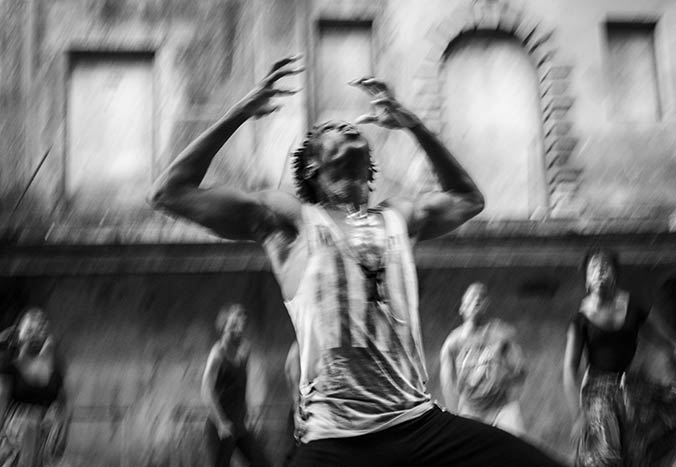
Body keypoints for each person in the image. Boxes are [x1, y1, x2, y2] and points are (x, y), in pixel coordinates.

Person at [151, 55, 565, 466]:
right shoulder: (289, 221)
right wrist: (241, 112)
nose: (345, 125)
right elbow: (171, 192)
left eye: (348, 126)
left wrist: (413, 125)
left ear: (370, 169)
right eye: (330, 129)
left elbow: (468, 199)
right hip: (336, 440)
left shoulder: (398, 217)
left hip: (418, 424)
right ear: (312, 165)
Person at [563, 248, 676, 467]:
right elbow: (569, 370)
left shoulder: (632, 307)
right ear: (586, 280)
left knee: (638, 450)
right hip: (598, 391)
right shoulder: (580, 320)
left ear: (615, 274)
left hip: (631, 388)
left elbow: (666, 343)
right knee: (605, 457)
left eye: (605, 266)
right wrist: (577, 416)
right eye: (593, 268)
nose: (600, 272)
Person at [0, 307, 68, 467]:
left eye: (42, 327)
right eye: (33, 328)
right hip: (15, 437)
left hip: (43, 437)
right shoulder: (9, 366)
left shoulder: (53, 370)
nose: (39, 332)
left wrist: (61, 432)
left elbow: (63, 405)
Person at [439, 282, 526, 436]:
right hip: (471, 410)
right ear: (462, 307)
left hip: (502, 407)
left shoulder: (502, 334)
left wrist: (505, 379)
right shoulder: (452, 343)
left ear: (487, 306)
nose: (477, 298)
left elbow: (521, 371)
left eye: (481, 297)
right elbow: (448, 384)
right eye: (472, 296)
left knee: (518, 452)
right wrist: (454, 417)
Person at [201, 304, 270, 467]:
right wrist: (220, 423)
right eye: (234, 324)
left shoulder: (245, 351)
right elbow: (206, 390)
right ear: (224, 326)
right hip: (222, 427)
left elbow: (240, 387)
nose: (239, 328)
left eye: (242, 324)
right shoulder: (217, 354)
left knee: (263, 463)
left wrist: (250, 414)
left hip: (240, 425)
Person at [283, 341, 301, 467]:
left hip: (302, 408)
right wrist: (297, 406)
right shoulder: (297, 349)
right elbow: (293, 378)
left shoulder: (298, 347)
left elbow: (287, 372)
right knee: (295, 451)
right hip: (300, 409)